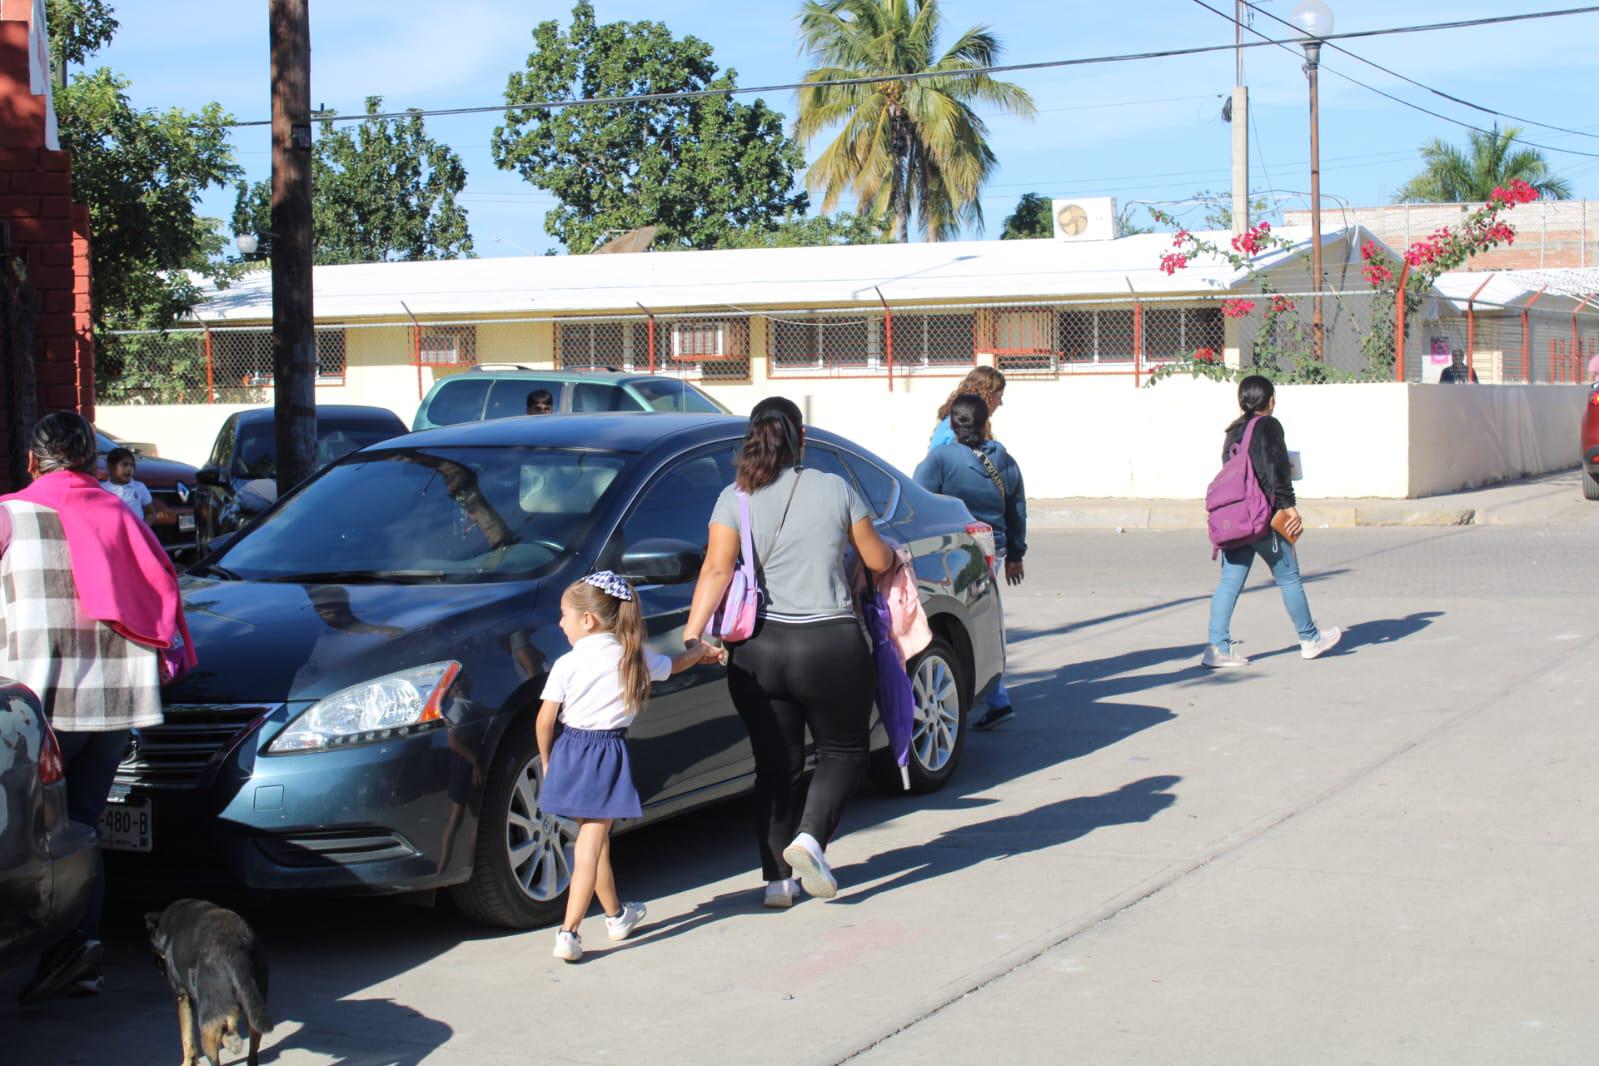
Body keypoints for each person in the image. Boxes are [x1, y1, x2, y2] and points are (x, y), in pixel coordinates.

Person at [1, 412, 193, 1004]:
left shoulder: (9, 515)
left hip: (33, 713)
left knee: (23, 843)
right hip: (112, 706)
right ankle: (78, 953)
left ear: (32, 462)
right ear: (92, 463)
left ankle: (55, 951)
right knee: (83, 828)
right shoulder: (119, 514)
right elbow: (162, 589)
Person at [684, 397, 895, 907]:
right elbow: (876, 559)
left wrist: (695, 635)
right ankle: (811, 839)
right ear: (801, 438)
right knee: (844, 751)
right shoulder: (834, 487)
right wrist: (891, 555)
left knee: (776, 765)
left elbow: (716, 570)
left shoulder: (734, 497)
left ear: (752, 438)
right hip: (829, 645)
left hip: (758, 650)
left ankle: (777, 881)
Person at [537, 572, 716, 963]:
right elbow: (676, 664)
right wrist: (701, 651)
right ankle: (569, 931)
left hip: (569, 749)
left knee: (595, 840)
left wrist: (548, 762)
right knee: (591, 844)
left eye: (564, 615)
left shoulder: (567, 663)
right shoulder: (633, 655)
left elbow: (545, 720)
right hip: (605, 753)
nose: (560, 623)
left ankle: (616, 915)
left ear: (588, 620)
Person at [1203, 377, 1341, 669]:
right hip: (1265, 517)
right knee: (1289, 578)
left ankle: (1217, 647)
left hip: (1238, 520)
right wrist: (1288, 507)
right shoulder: (1269, 426)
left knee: (1228, 583)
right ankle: (1310, 638)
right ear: (1270, 400)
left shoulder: (1233, 432)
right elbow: (1276, 471)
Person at [914, 394, 1027, 730]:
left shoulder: (940, 459)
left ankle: (989, 697)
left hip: (954, 550)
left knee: (962, 621)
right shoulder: (1003, 458)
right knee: (982, 618)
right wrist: (1016, 555)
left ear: (952, 424)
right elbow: (1017, 510)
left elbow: (918, 502)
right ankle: (997, 699)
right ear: (985, 423)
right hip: (991, 549)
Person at [930, 366, 1006, 448]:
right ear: (987, 396)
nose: (1000, 403)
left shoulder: (962, 422)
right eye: (999, 396)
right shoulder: (957, 427)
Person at [101, 447, 173, 526]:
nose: (129, 469)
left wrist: (143, 528)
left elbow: (150, 512)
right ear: (110, 467)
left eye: (132, 465)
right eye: (124, 464)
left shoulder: (139, 487)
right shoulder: (102, 490)